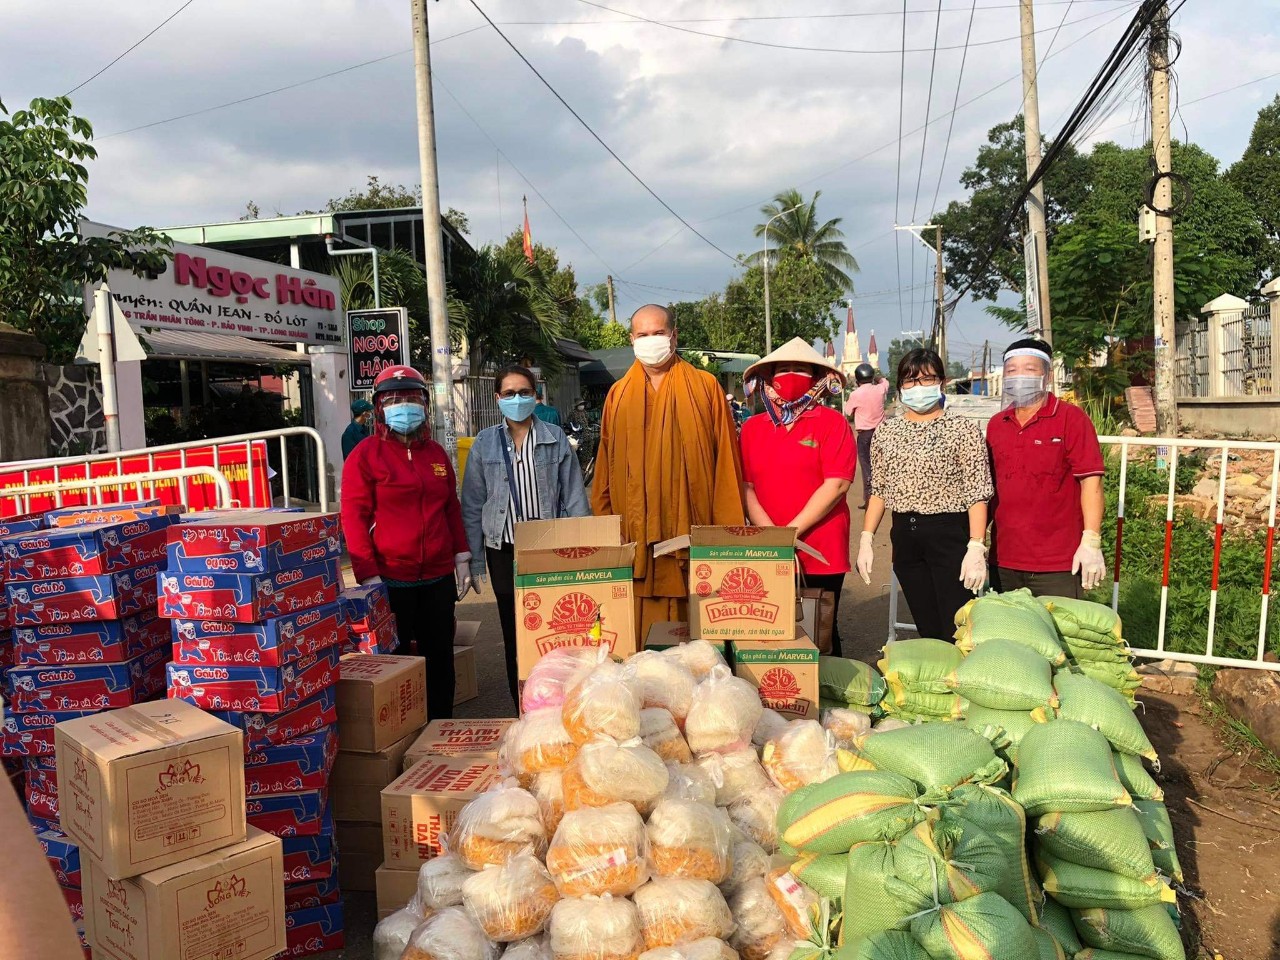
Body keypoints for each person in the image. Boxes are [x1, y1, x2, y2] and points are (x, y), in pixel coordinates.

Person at [592, 303, 746, 638]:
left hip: (692, 535)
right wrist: (607, 527)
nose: (651, 341)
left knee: (699, 643)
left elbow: (726, 467)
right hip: (637, 539)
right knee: (640, 642)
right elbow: (604, 468)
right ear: (632, 339)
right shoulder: (617, 396)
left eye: (658, 333)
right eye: (643, 335)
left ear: (674, 335)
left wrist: (725, 536)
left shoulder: (705, 388)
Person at [341, 364, 471, 720]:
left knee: (439, 658)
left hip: (438, 577)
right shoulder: (365, 456)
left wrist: (462, 556)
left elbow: (450, 507)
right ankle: (401, 733)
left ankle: (440, 726)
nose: (404, 405)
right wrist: (368, 575)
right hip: (390, 578)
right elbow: (353, 517)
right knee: (397, 663)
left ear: (425, 404)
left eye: (412, 398)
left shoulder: (436, 455)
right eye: (394, 399)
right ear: (379, 407)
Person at [461, 363, 591, 706]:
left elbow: (575, 495)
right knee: (514, 628)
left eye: (524, 393)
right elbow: (472, 505)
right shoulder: (484, 443)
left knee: (552, 627)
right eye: (509, 393)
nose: (517, 399)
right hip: (503, 549)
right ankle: (522, 703)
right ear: (497, 398)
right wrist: (474, 562)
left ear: (536, 396)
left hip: (547, 547)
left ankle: (556, 698)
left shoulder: (554, 437)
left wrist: (586, 551)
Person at [855, 348, 993, 641]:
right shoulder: (886, 432)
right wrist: (866, 538)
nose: (918, 388)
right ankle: (936, 681)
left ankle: (959, 681)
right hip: (906, 535)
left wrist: (976, 545)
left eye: (927, 380)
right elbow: (879, 489)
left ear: (942, 383)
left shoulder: (962, 430)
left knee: (956, 626)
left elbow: (977, 492)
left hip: (949, 535)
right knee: (927, 623)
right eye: (910, 381)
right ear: (900, 387)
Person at [739, 338, 856, 656]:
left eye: (801, 370)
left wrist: (790, 534)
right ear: (768, 379)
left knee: (820, 629)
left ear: (817, 379)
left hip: (820, 548)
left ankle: (826, 698)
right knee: (769, 627)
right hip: (768, 546)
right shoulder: (751, 428)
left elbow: (837, 486)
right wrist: (774, 537)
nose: (791, 376)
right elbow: (745, 487)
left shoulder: (833, 424)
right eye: (784, 369)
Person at [986, 338, 1106, 598]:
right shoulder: (997, 424)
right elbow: (988, 488)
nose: (1019, 377)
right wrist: (974, 544)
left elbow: (1091, 483)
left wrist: (1091, 540)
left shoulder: (1071, 419)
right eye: (1012, 370)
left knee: (1056, 635)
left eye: (1029, 369)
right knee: (1008, 635)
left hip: (1057, 563)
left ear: (1047, 376)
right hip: (1005, 558)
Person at [842, 362, 890, 509]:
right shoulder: (880, 389)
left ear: (857, 380)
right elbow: (884, 380)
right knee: (882, 465)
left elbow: (848, 412)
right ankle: (886, 497)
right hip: (882, 433)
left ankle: (870, 498)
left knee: (867, 466)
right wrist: (876, 379)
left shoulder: (855, 394)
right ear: (872, 377)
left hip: (864, 435)